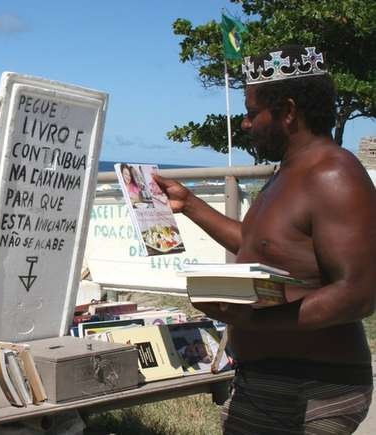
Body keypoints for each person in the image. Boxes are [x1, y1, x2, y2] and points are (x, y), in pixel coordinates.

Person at [155, 45, 376, 434]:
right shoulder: (288, 172)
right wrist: (188, 204)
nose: (244, 124)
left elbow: (358, 293)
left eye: (251, 112)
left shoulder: (333, 174)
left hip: (314, 388)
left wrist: (256, 320)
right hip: (265, 381)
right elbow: (261, 244)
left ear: (288, 112)